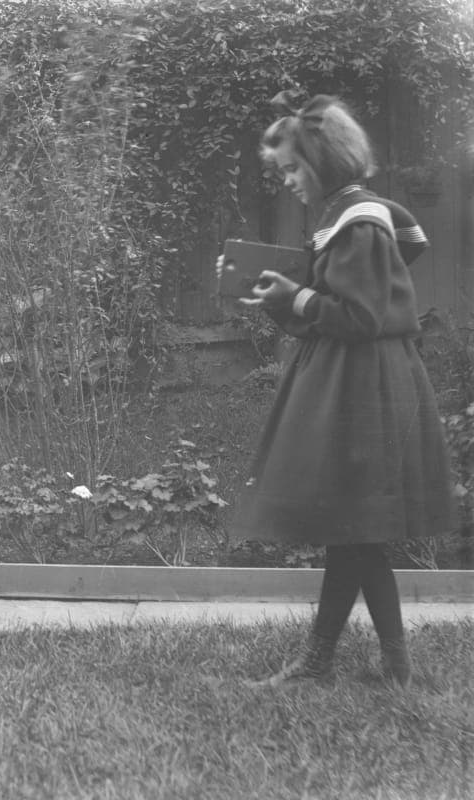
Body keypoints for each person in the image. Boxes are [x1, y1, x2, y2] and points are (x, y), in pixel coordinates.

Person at [225, 93, 456, 688]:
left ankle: (327, 664)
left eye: (292, 169)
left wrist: (298, 297)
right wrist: (282, 298)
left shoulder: (360, 224)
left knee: (354, 528)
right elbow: (323, 315)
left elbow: (359, 318)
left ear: (322, 161)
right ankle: (380, 666)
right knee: (355, 531)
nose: (287, 182)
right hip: (350, 377)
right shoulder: (345, 216)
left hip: (364, 388)